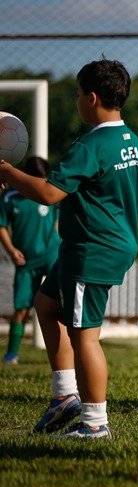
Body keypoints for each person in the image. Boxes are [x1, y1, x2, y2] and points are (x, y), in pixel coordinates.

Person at [0, 59, 138, 439]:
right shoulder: (132, 141)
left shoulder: (91, 145)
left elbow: (49, 192)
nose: (76, 101)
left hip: (92, 249)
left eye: (78, 95)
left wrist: (6, 171)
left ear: (92, 97)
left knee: (85, 335)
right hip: (99, 243)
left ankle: (95, 422)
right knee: (46, 307)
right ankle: (66, 396)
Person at [0, 156, 60, 365]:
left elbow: (57, 222)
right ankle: (12, 354)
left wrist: (59, 243)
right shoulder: (10, 197)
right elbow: (1, 225)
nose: (42, 185)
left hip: (51, 255)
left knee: (63, 302)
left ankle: (67, 350)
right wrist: (11, 250)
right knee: (22, 307)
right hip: (26, 260)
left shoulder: (51, 194)